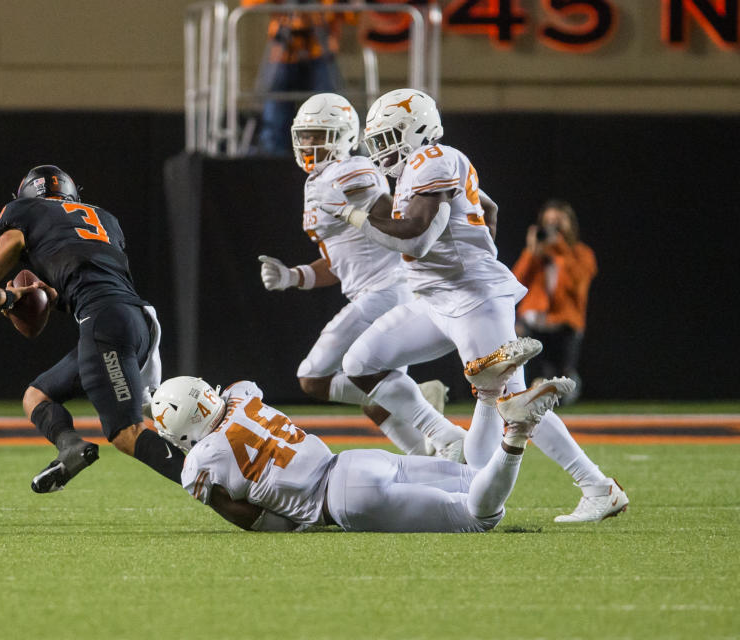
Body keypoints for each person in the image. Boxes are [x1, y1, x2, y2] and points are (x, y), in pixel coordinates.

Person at [317, 89, 628, 523]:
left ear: (418, 130)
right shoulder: (416, 169)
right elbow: (489, 207)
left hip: (472, 299)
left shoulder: (433, 160)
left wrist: (354, 217)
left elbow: (415, 238)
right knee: (362, 363)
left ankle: (597, 486)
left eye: (389, 138)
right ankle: (443, 435)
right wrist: (475, 245)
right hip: (436, 296)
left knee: (514, 403)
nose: (382, 150)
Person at [258, 92, 458, 458]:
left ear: (345, 136)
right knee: (374, 395)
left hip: (385, 290)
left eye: (319, 135)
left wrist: (353, 209)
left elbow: (388, 221)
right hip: (375, 291)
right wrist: (291, 276)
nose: (309, 143)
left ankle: (433, 421)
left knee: (313, 377)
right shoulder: (319, 180)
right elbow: (338, 262)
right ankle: (428, 459)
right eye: (305, 135)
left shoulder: (353, 170)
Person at [0, 165, 185, 493]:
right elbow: (90, 275)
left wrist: (7, 300)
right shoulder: (105, 220)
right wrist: (51, 295)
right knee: (37, 395)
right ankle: (70, 447)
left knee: (127, 433)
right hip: (138, 319)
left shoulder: (22, 213)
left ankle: (216, 483)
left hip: (103, 324)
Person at [151, 374, 575, 532]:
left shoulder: (200, 462)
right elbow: (237, 393)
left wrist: (288, 522)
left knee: (480, 516)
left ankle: (515, 430)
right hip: (353, 460)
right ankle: (490, 393)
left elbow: (249, 518)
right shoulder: (242, 396)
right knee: (471, 476)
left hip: (341, 502)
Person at [512, 199, 597, 403]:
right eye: (548, 222)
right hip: (534, 322)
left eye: (558, 222)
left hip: (564, 324)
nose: (552, 227)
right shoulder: (536, 255)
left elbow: (576, 286)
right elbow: (515, 282)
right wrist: (532, 251)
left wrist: (559, 248)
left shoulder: (582, 254)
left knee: (562, 380)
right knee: (530, 376)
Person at [244, 0, 345, 154]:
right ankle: (272, 159)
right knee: (275, 119)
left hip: (320, 47)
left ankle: (331, 157)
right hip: (282, 51)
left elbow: (351, 9)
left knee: (328, 111)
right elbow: (249, 3)